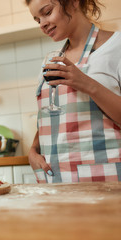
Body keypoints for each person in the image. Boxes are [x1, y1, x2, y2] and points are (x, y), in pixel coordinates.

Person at [25, 0, 121, 183]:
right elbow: (53, 118)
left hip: (106, 180)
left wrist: (87, 84)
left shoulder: (117, 47)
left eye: (47, 12)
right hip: (57, 181)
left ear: (73, 2)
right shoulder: (51, 62)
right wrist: (33, 149)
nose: (42, 24)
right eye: (37, 20)